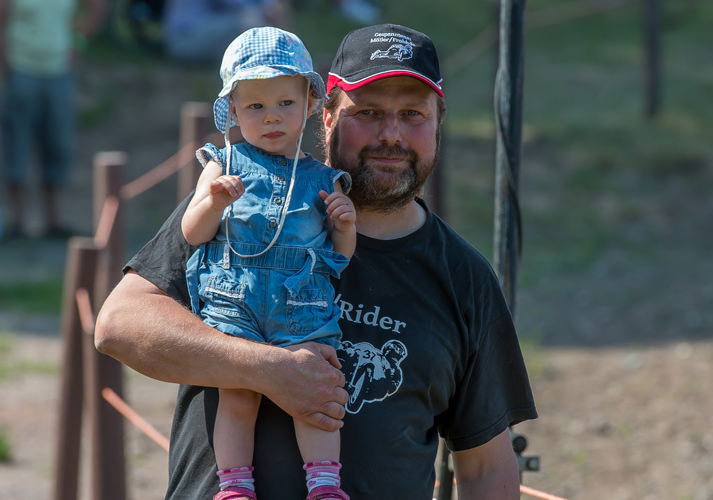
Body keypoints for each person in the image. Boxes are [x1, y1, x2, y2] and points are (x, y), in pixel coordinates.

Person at [95, 23, 538, 500]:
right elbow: (119, 325)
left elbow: (487, 470)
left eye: (413, 113)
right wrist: (266, 369)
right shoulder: (237, 207)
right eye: (368, 112)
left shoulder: (464, 278)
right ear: (324, 116)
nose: (391, 134)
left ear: (438, 122)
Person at [181, 27, 356, 500]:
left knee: (315, 388)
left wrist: (344, 223)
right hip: (232, 297)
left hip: (300, 300)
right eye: (256, 106)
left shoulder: (323, 177)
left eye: (285, 103)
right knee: (237, 392)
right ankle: (234, 487)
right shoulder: (222, 163)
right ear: (233, 111)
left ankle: (323, 484)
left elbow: (340, 257)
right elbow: (193, 233)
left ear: (309, 105)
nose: (272, 117)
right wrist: (213, 202)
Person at [0, 0, 106, 238]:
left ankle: (54, 219)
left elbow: (97, 7)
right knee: (17, 144)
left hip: (59, 72)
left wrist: (77, 42)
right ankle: (17, 220)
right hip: (21, 70)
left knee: (58, 145)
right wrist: (4, 61)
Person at [162, 0, 288, 64]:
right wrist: (265, 9)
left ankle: (285, 57)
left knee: (267, 12)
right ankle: (282, 60)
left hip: (200, 32)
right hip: (184, 39)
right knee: (250, 20)